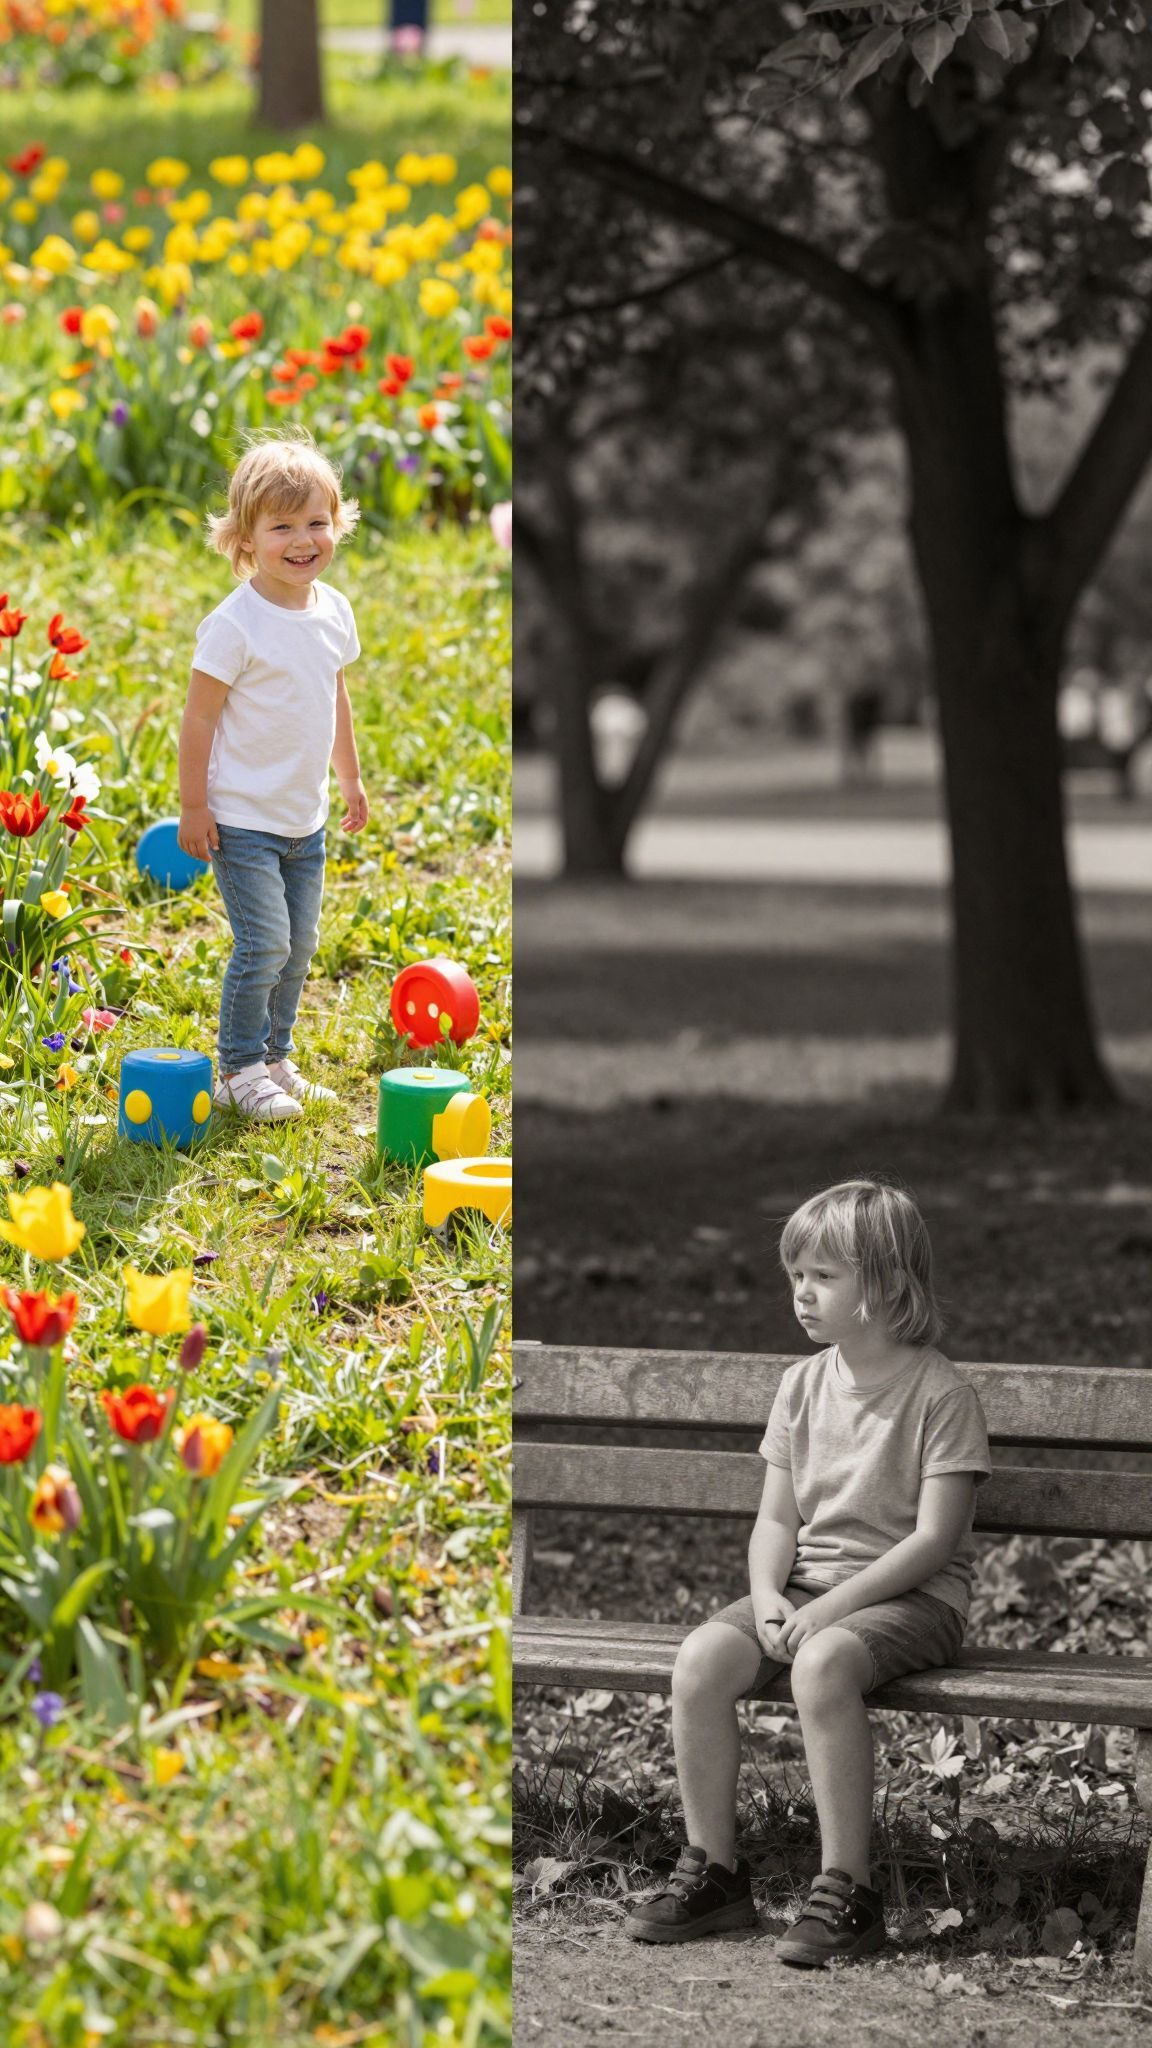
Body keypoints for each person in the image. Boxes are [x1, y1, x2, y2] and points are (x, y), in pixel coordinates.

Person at [625, 1178, 991, 1967]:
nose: (802, 1292)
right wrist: (766, 1597)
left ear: (888, 1284)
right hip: (804, 1591)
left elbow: (934, 1541)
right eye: (796, 1274)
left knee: (820, 1665)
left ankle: (848, 1891)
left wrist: (827, 1612)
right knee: (701, 1659)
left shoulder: (941, 1395)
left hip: (915, 1600)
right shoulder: (801, 1385)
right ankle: (715, 1872)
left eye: (824, 1276)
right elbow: (776, 1521)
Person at [177, 429, 370, 1122]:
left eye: (316, 522)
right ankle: (237, 1069)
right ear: (245, 539)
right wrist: (193, 806)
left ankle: (275, 1058)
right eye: (281, 526)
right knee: (265, 944)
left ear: (337, 524)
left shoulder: (333, 610)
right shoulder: (235, 625)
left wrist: (349, 779)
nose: (302, 540)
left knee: (300, 947)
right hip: (242, 820)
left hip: (303, 819)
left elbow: (334, 697)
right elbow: (199, 719)